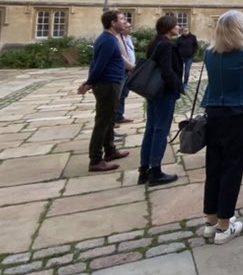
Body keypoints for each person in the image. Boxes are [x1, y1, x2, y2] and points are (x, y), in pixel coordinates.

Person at [200, 10, 243, 244]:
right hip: (238, 114)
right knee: (232, 169)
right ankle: (225, 226)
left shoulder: (209, 54)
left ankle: (210, 221)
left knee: (213, 167)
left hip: (214, 113)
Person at [77, 11, 130, 172]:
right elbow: (99, 65)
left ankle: (110, 150)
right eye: (121, 19)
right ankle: (95, 159)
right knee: (103, 122)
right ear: (113, 23)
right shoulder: (107, 40)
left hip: (111, 83)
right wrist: (89, 83)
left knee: (109, 119)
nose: (125, 21)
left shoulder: (110, 39)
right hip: (107, 85)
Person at [137, 14, 182, 186]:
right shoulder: (165, 45)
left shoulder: (155, 43)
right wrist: (177, 86)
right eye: (176, 25)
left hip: (153, 92)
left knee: (151, 129)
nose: (178, 27)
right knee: (160, 130)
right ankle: (155, 171)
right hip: (163, 92)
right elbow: (167, 71)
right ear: (169, 28)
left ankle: (144, 169)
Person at [115, 18, 136, 125]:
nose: (129, 29)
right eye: (127, 27)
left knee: (123, 95)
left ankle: (119, 116)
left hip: (128, 71)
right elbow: (121, 56)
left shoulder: (128, 38)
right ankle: (113, 120)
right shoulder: (116, 39)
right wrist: (130, 67)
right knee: (117, 96)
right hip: (123, 70)